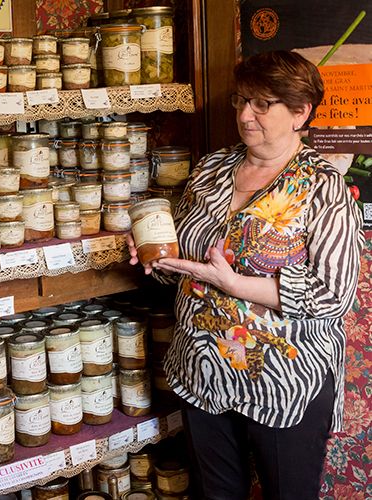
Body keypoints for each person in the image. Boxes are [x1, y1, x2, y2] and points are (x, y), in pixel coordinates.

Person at [127, 50, 364, 500]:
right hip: (203, 371)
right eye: (240, 101)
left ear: (300, 112)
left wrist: (234, 284)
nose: (244, 114)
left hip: (284, 377)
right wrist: (152, 256)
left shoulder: (322, 185)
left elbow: (333, 295)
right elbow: (186, 266)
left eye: (261, 104)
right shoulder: (211, 169)